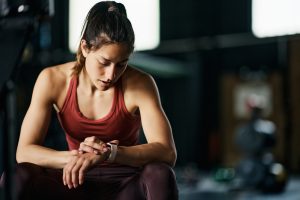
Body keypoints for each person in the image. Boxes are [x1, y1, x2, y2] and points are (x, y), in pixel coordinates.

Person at [0, 1, 178, 199]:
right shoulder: (52, 79)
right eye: (104, 62)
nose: (111, 74)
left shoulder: (141, 83)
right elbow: (24, 152)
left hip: (125, 185)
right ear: (85, 48)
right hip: (74, 180)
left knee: (160, 174)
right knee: (16, 176)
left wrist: (110, 153)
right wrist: (77, 157)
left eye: (121, 64)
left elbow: (167, 152)